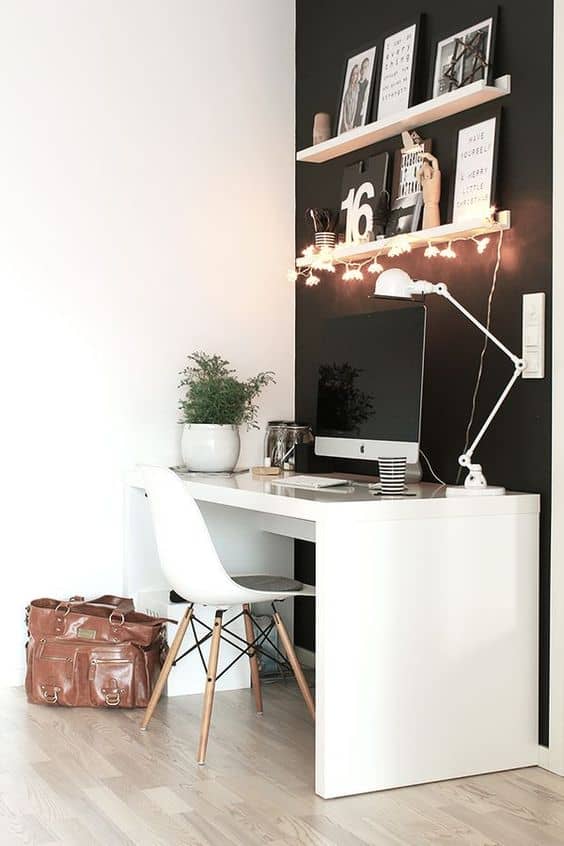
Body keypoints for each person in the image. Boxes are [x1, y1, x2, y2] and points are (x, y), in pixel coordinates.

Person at [339, 64, 359, 133]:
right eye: (353, 74)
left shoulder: (357, 88)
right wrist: (345, 123)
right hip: (345, 121)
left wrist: (352, 121)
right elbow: (344, 109)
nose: (354, 76)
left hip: (351, 120)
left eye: (356, 74)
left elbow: (355, 106)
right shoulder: (347, 89)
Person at [353, 58, 370, 127]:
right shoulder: (356, 84)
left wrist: (362, 112)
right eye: (362, 67)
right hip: (354, 112)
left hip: (360, 113)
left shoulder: (367, 83)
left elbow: (365, 100)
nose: (363, 70)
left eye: (365, 68)